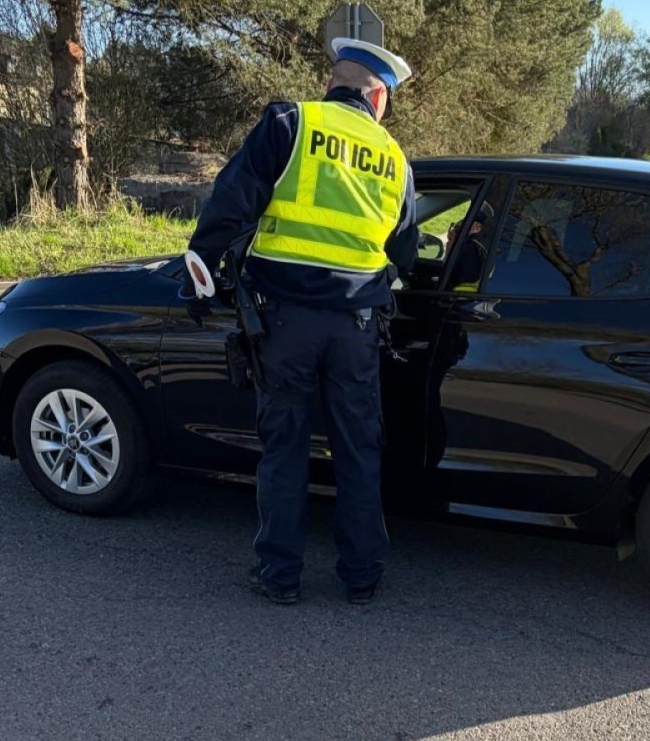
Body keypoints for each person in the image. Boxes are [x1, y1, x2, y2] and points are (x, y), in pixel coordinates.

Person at [183, 38, 419, 606]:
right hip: (357, 326)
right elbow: (406, 252)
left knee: (285, 448)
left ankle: (279, 576)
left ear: (334, 82)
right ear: (378, 94)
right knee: (358, 449)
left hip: (285, 322)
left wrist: (200, 265)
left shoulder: (292, 122)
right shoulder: (393, 157)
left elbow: (232, 199)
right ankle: (362, 578)